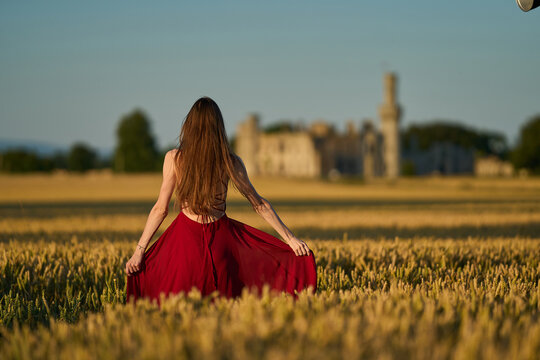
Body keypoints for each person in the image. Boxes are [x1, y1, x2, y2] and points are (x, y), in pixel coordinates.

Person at [125, 96, 317, 304]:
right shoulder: (230, 161)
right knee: (224, 303)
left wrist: (139, 252)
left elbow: (160, 210)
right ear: (219, 127)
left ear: (189, 126)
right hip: (222, 241)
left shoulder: (174, 158)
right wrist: (290, 239)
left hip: (184, 241)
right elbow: (259, 204)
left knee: (179, 305)